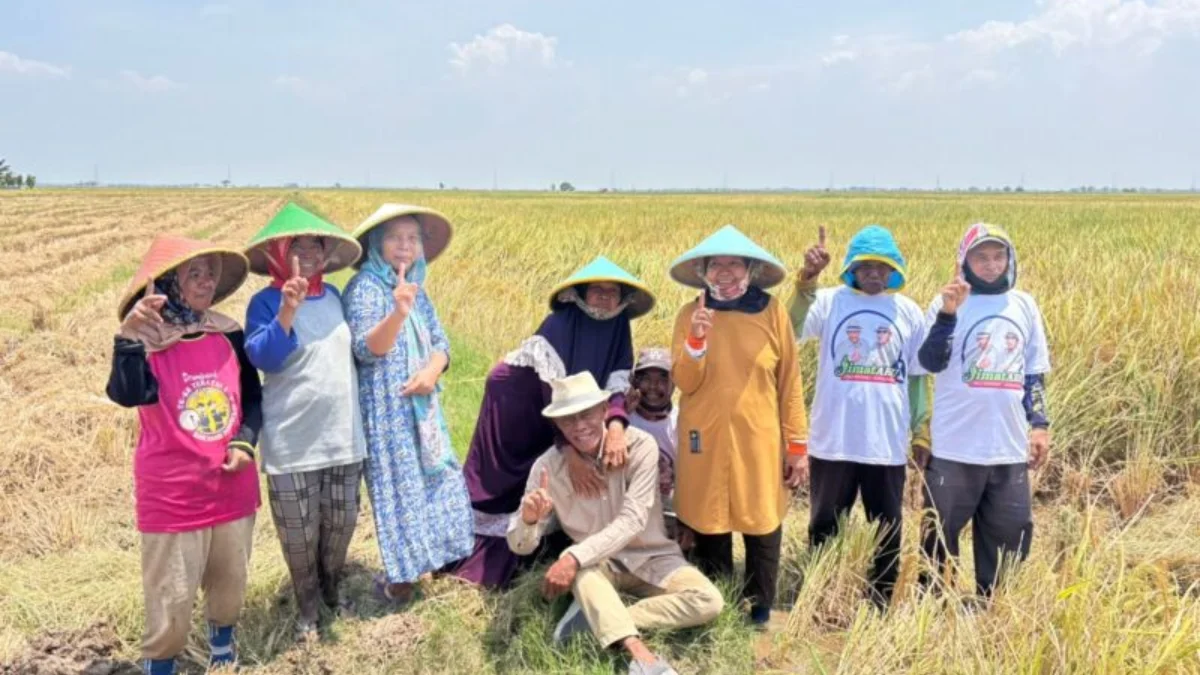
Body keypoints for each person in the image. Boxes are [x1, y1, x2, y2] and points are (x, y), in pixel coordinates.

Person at [105, 236, 261, 675]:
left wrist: (245, 440)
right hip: (173, 491)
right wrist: (128, 341)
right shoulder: (146, 341)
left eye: (210, 272)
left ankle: (223, 649)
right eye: (194, 272)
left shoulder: (227, 332)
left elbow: (252, 397)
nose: (206, 280)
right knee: (171, 597)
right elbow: (127, 394)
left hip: (232, 483)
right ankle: (162, 666)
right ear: (169, 283)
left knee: (230, 581)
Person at [452, 256, 655, 589]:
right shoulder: (561, 324)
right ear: (579, 294)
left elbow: (617, 381)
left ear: (623, 299)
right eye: (596, 290)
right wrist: (569, 452)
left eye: (612, 291)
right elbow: (555, 396)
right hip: (516, 409)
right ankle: (482, 565)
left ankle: (550, 550)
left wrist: (616, 426)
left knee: (549, 481)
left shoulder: (618, 325)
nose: (604, 296)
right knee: (513, 485)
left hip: (562, 411)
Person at [509, 372, 724, 675]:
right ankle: (644, 660)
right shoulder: (547, 467)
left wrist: (573, 556)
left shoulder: (641, 447)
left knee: (709, 601)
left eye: (586, 414)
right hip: (599, 564)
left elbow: (633, 520)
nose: (579, 425)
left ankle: (599, 618)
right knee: (581, 567)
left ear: (603, 412)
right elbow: (520, 544)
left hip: (653, 556)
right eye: (568, 419)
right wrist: (529, 521)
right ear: (557, 425)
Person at [668, 224, 809, 627]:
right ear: (703, 272)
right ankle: (715, 604)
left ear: (750, 270)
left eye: (734, 264)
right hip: (704, 436)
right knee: (709, 517)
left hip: (759, 438)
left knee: (762, 518)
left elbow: (790, 383)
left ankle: (760, 607)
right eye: (717, 265)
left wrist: (797, 447)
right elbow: (684, 382)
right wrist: (696, 340)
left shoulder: (772, 311)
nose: (725, 272)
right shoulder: (688, 315)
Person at [789, 224, 931, 607]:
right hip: (833, 439)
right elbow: (791, 328)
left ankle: (880, 601)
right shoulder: (830, 301)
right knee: (824, 525)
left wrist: (921, 432)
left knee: (887, 528)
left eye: (881, 266)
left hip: (885, 442)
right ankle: (820, 595)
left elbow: (917, 377)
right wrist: (806, 279)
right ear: (851, 268)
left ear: (893, 270)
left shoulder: (909, 312)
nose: (873, 273)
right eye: (865, 265)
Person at [242, 202, 367, 640]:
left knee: (340, 525)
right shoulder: (263, 303)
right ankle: (308, 609)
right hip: (293, 442)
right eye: (298, 245)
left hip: (344, 437)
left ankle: (332, 590)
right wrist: (287, 310)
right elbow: (264, 357)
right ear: (278, 253)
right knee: (299, 537)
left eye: (317, 244)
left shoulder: (335, 297)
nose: (310, 252)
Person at [343, 204, 473, 604]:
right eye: (395, 238)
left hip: (424, 407)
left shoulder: (419, 289)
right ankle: (402, 577)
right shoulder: (365, 287)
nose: (404, 246)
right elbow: (367, 349)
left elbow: (440, 342)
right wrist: (398, 313)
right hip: (387, 410)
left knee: (438, 478)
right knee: (400, 490)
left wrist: (433, 370)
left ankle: (441, 559)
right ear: (376, 244)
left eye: (412, 238)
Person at [917, 222, 1052, 598]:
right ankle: (933, 613)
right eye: (981, 257)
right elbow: (930, 361)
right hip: (955, 447)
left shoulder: (1023, 304)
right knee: (938, 537)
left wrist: (1039, 425)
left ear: (1009, 260)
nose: (991, 265)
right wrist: (947, 314)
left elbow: (1034, 374)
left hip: (1007, 448)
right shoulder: (947, 302)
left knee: (1009, 536)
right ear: (965, 261)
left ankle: (993, 610)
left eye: (998, 256)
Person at [624, 347, 679, 536]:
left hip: (668, 503)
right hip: (631, 501)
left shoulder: (682, 421)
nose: (653, 387)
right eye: (646, 379)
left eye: (663, 379)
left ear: (674, 384)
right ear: (634, 382)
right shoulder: (624, 420)